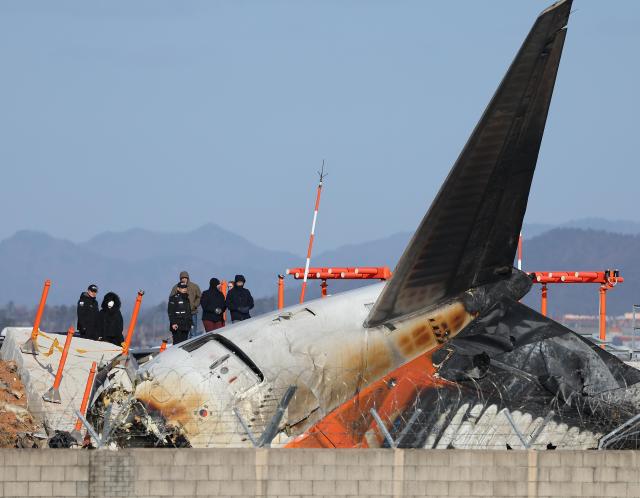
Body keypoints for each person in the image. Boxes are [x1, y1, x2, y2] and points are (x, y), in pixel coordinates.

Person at [170, 271, 201, 337]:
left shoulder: (194, 286)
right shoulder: (176, 287)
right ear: (180, 279)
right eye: (182, 278)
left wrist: (194, 305)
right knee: (183, 333)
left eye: (185, 277)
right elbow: (171, 299)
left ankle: (193, 346)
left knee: (193, 332)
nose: (183, 279)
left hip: (192, 312)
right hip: (181, 315)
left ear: (188, 278)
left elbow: (199, 297)